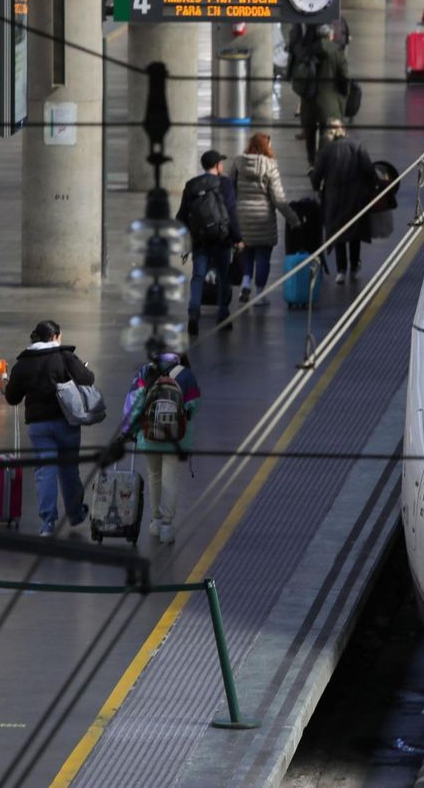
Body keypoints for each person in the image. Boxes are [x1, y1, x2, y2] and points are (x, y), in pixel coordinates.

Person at [4, 321, 98, 536]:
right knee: (69, 470)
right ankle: (75, 513)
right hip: (65, 423)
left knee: (45, 472)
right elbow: (88, 379)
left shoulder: (23, 363)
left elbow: (12, 398)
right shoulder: (64, 357)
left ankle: (47, 523)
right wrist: (81, 369)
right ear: (55, 336)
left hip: (38, 427)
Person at [120, 353, 201, 544]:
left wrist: (127, 430)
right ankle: (167, 525)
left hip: (149, 437)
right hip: (177, 438)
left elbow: (134, 404)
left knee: (154, 476)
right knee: (170, 480)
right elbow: (194, 405)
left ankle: (155, 522)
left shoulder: (146, 371)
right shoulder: (186, 374)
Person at [176, 150, 245, 336]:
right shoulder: (225, 183)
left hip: (200, 240)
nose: (222, 166)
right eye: (220, 163)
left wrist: (186, 239)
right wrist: (238, 238)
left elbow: (181, 216)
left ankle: (193, 313)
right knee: (223, 276)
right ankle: (223, 314)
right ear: (216, 166)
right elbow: (230, 212)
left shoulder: (191, 185)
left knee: (198, 277)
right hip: (221, 238)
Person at [234, 134, 302, 305]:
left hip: (242, 216)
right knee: (263, 256)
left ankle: (245, 283)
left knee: (247, 251)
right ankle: (259, 294)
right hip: (263, 218)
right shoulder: (270, 167)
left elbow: (229, 188)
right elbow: (278, 199)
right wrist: (294, 219)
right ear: (266, 146)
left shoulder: (237, 163)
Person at [310, 120, 378, 284]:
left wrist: (316, 185)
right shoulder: (357, 146)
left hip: (334, 198)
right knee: (354, 232)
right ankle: (354, 266)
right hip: (355, 196)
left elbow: (316, 176)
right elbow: (368, 170)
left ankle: (341, 270)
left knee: (339, 233)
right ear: (344, 130)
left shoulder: (326, 151)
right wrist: (373, 185)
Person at [288, 23, 351, 166]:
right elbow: (345, 77)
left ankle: (311, 161)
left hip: (309, 100)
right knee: (327, 133)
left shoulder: (308, 50)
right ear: (331, 35)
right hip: (330, 102)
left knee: (310, 133)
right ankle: (323, 162)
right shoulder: (337, 53)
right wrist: (343, 95)